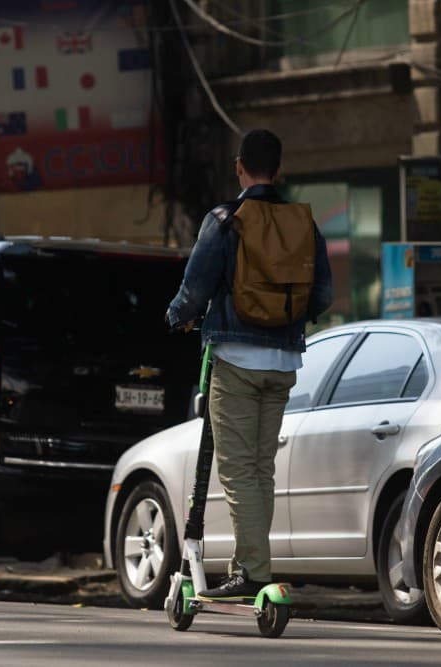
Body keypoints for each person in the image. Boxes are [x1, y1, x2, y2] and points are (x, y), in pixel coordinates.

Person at [166, 129, 333, 599]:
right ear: (279, 170)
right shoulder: (304, 223)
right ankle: (248, 565)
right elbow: (323, 294)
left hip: (235, 359)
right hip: (283, 362)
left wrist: (177, 317)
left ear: (240, 166)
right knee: (261, 468)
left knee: (238, 470)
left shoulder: (226, 219)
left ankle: (255, 572)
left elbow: (195, 288)